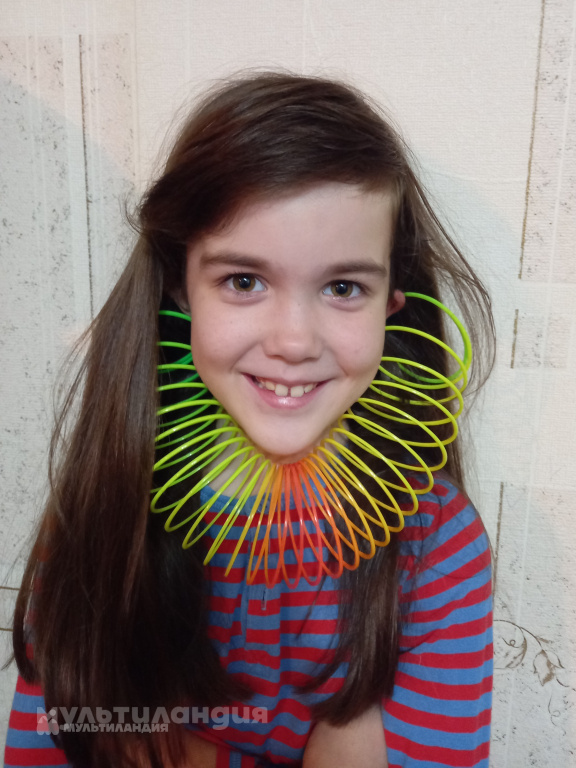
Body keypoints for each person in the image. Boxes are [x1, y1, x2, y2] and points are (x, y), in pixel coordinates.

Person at [5, 72, 494, 768]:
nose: (293, 341)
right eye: (243, 281)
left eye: (343, 287)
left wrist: (183, 750)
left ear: (392, 305)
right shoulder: (103, 510)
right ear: (180, 288)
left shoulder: (437, 547)